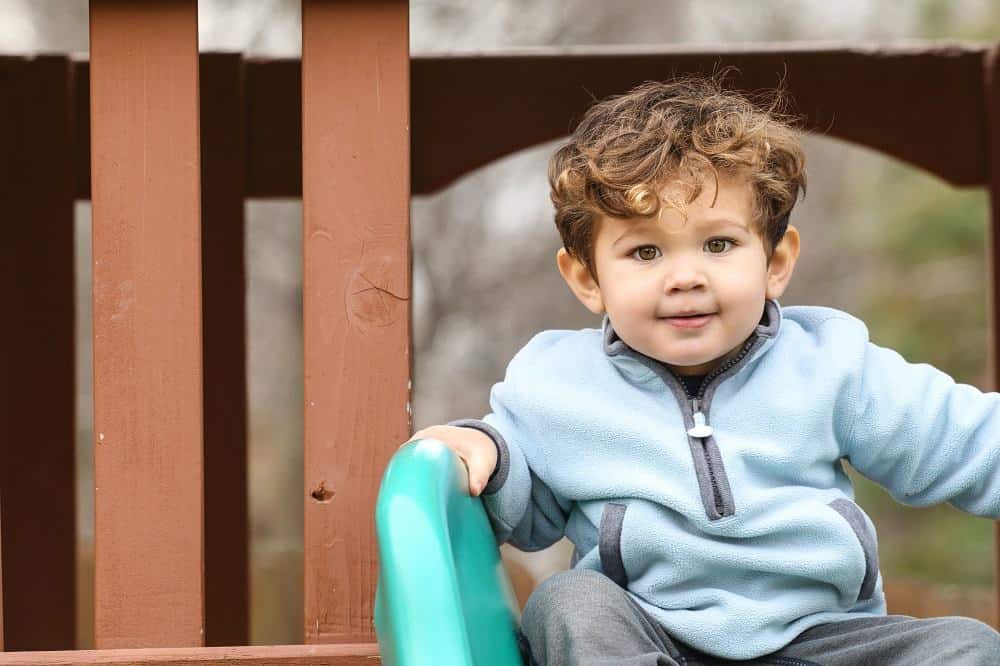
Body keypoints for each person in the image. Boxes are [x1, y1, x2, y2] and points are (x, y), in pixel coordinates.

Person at [406, 75, 1000, 665]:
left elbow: (967, 443)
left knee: (968, 645)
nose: (685, 277)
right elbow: (519, 499)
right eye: (645, 252)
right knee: (569, 601)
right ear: (588, 279)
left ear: (775, 261)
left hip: (820, 642)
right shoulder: (557, 385)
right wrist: (480, 447)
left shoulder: (829, 363)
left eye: (717, 245)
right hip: (653, 640)